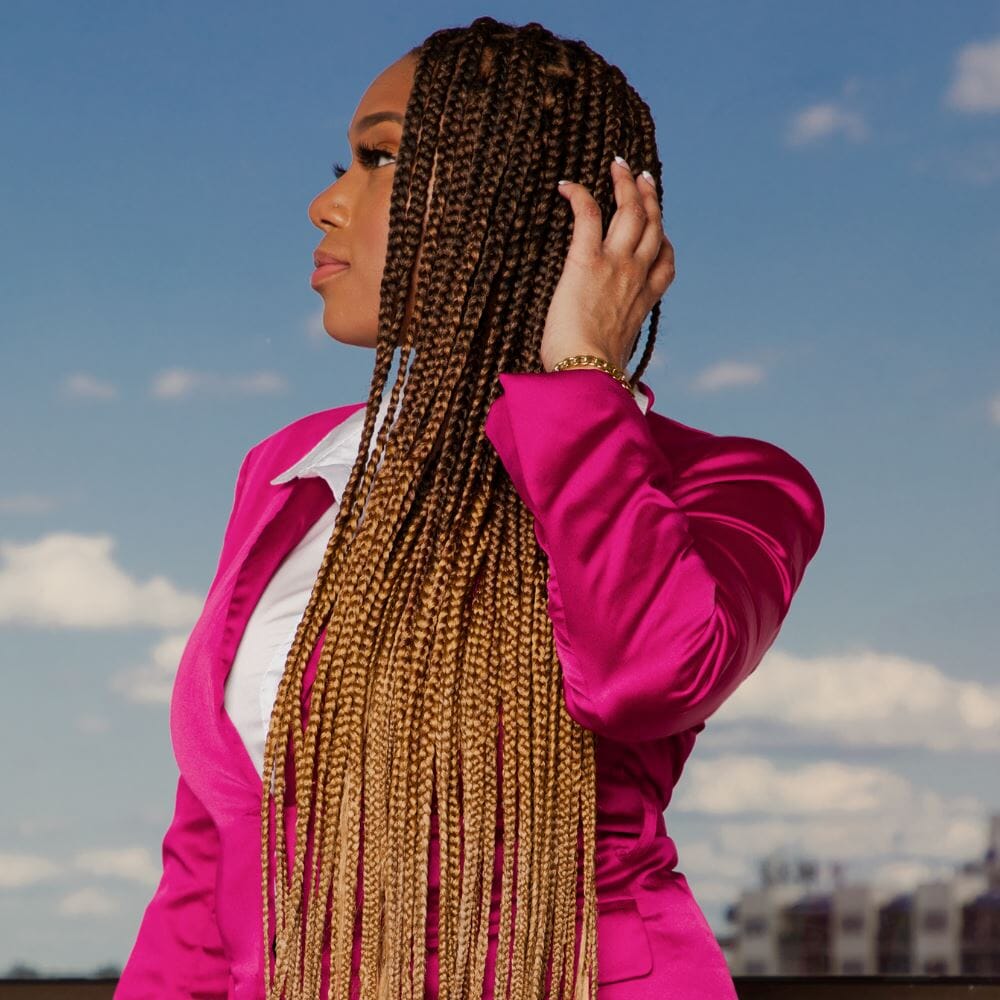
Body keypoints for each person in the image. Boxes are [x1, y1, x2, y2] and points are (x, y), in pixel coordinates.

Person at [116, 17, 825, 1000]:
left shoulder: (732, 484)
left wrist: (581, 375)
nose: (327, 202)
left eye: (380, 159)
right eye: (342, 164)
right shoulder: (290, 474)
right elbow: (205, 870)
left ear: (521, 203)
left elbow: (643, 679)